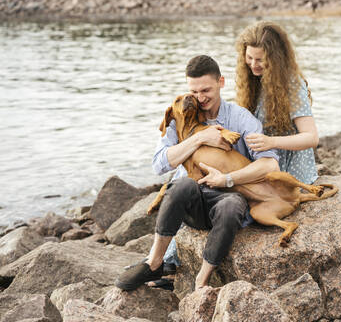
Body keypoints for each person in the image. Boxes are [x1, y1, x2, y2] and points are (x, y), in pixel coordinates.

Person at [115, 55, 279, 291]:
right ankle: (154, 261)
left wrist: (227, 179)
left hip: (227, 197)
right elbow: (159, 164)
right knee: (181, 185)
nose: (200, 98)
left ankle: (201, 280)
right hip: (193, 203)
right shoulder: (180, 117)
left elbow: (269, 164)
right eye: (194, 91)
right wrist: (201, 137)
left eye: (206, 90)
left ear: (221, 82)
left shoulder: (241, 118)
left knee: (232, 203)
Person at [235, 21, 319, 185]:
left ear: (275, 59)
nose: (253, 64)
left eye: (260, 60)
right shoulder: (252, 81)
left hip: (290, 174)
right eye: (249, 57)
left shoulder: (292, 85)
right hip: (261, 166)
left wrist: (271, 142)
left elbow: (311, 138)